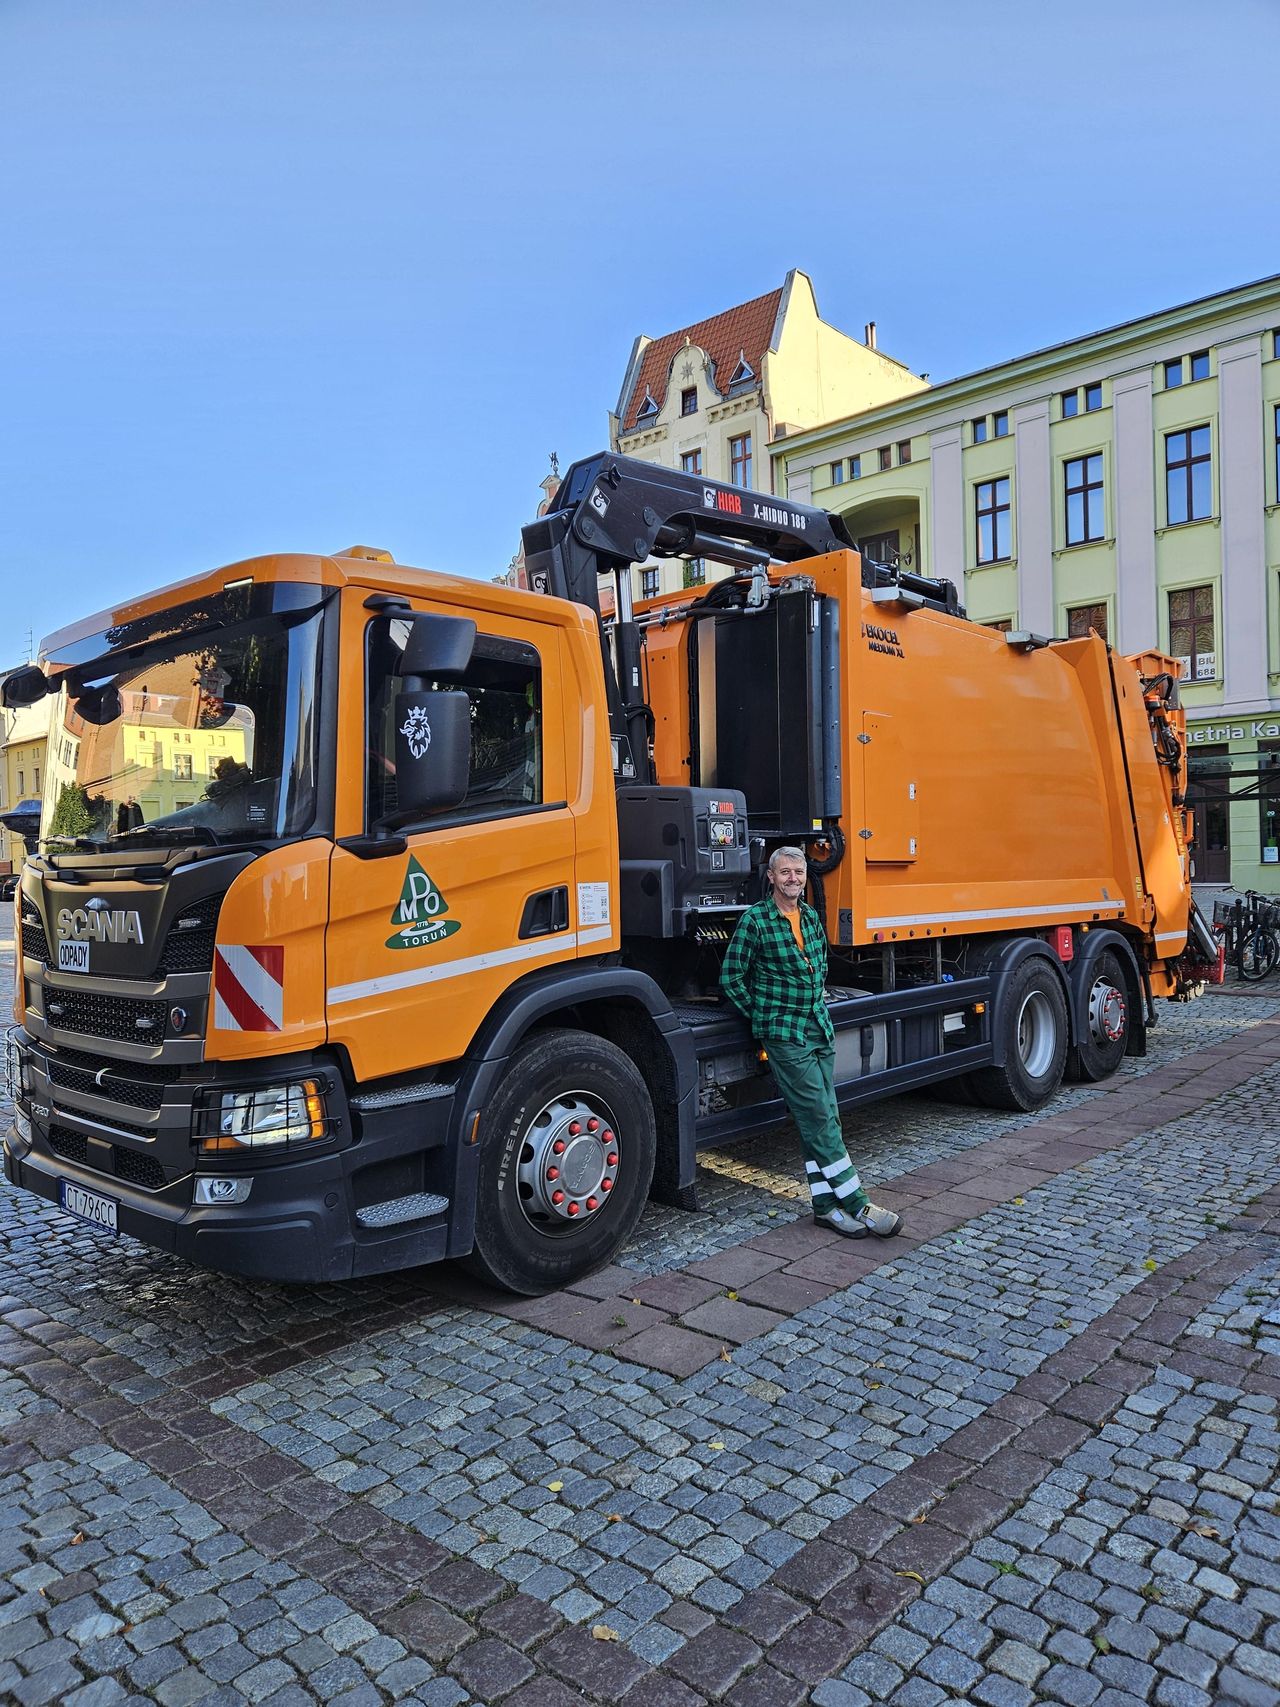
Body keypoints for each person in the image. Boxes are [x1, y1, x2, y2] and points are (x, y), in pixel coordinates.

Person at [721, 846, 903, 1240]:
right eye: (785, 872)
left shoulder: (810, 918)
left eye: (799, 873)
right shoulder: (756, 921)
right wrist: (763, 1016)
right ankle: (858, 1203)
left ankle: (825, 1207)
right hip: (785, 1034)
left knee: (822, 1115)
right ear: (770, 877)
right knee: (818, 1113)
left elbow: (819, 969)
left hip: (818, 1028)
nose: (793, 879)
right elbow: (732, 978)